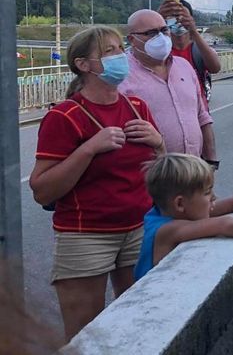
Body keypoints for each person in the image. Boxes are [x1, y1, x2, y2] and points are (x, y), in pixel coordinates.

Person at [29, 25, 164, 340]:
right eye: (110, 51)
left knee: (139, 326)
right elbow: (42, 189)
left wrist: (159, 143)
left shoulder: (137, 107)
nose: (122, 56)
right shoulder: (64, 117)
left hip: (139, 227)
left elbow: (160, 169)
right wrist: (90, 148)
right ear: (83, 65)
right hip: (86, 235)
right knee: (85, 335)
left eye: (120, 48)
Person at [134, 153, 233, 280]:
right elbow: (227, 224)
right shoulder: (166, 230)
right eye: (207, 193)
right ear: (180, 204)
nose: (214, 198)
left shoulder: (173, 211)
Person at [119, 9, 220, 169]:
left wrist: (211, 162)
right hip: (149, 178)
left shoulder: (184, 66)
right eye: (151, 33)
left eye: (164, 30)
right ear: (132, 39)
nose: (160, 37)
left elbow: (202, 117)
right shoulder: (122, 76)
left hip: (194, 171)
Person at [160, 0, 221, 102]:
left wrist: (194, 31)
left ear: (191, 19)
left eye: (183, 16)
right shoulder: (159, 51)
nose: (179, 20)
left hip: (197, 112)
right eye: (173, 17)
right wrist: (158, 21)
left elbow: (215, 68)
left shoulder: (198, 50)